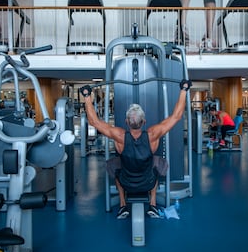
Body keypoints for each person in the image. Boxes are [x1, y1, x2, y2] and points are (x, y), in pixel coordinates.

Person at [80, 79, 191, 219]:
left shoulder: (119, 135)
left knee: (113, 165)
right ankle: (153, 205)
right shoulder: (153, 134)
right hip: (148, 182)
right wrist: (184, 90)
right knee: (158, 164)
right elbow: (176, 116)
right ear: (144, 122)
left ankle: (122, 205)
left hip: (126, 183)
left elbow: (94, 122)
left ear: (126, 122)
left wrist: (86, 96)